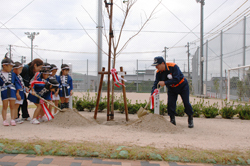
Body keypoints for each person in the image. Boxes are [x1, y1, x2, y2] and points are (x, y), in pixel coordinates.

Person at [151, 56, 194, 128]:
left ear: (162, 63)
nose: (156, 67)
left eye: (157, 65)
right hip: (171, 88)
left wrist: (165, 82)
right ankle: (172, 120)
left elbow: (177, 79)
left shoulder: (173, 67)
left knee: (186, 102)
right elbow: (156, 84)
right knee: (170, 103)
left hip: (182, 86)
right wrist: (152, 94)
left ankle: (190, 118)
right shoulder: (158, 73)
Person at [0, 58, 22, 126]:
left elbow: (17, 83)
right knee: (5, 106)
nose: (11, 68)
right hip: (4, 91)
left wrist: (18, 93)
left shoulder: (13, 74)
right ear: (4, 65)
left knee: (12, 106)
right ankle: (4, 120)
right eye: (10, 66)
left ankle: (12, 119)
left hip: (12, 90)